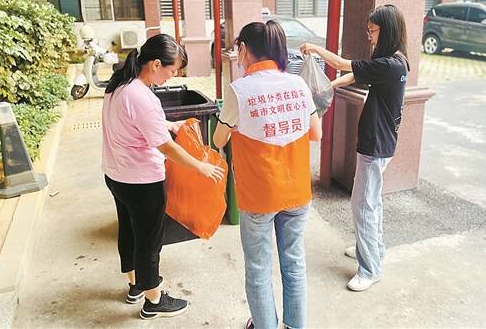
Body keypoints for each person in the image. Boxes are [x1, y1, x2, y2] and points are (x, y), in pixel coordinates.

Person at [102, 33, 225, 319]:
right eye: (172, 70)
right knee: (149, 240)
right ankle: (153, 301)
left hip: (116, 175)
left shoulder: (120, 83)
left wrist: (169, 124)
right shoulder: (143, 97)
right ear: (156, 64)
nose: (173, 76)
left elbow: (136, 121)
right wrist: (200, 166)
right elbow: (165, 147)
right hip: (142, 182)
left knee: (129, 231)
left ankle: (135, 286)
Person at [213, 21, 322, 329]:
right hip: (297, 191)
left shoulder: (239, 90)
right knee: (294, 264)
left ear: (244, 49)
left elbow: (218, 140)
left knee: (259, 270)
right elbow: (316, 133)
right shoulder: (298, 84)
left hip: (259, 196)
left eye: (238, 48)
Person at [300, 4, 409, 292]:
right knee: (372, 202)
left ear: (387, 30)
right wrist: (330, 86)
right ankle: (373, 248)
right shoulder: (395, 61)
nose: (369, 36)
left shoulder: (389, 65)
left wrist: (316, 49)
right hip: (382, 142)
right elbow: (355, 74)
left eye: (373, 31)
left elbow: (344, 64)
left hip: (375, 144)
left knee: (362, 205)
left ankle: (370, 268)